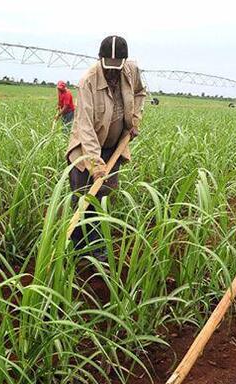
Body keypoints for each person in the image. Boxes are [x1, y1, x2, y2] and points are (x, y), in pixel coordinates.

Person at [65, 35, 147, 261]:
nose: (112, 72)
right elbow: (85, 127)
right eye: (107, 66)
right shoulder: (88, 82)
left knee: (102, 196)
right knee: (83, 196)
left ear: (124, 62)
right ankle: (79, 249)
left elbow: (140, 93)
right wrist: (95, 165)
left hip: (114, 147)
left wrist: (135, 120)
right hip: (86, 148)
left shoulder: (131, 72)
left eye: (116, 67)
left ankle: (97, 247)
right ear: (100, 59)